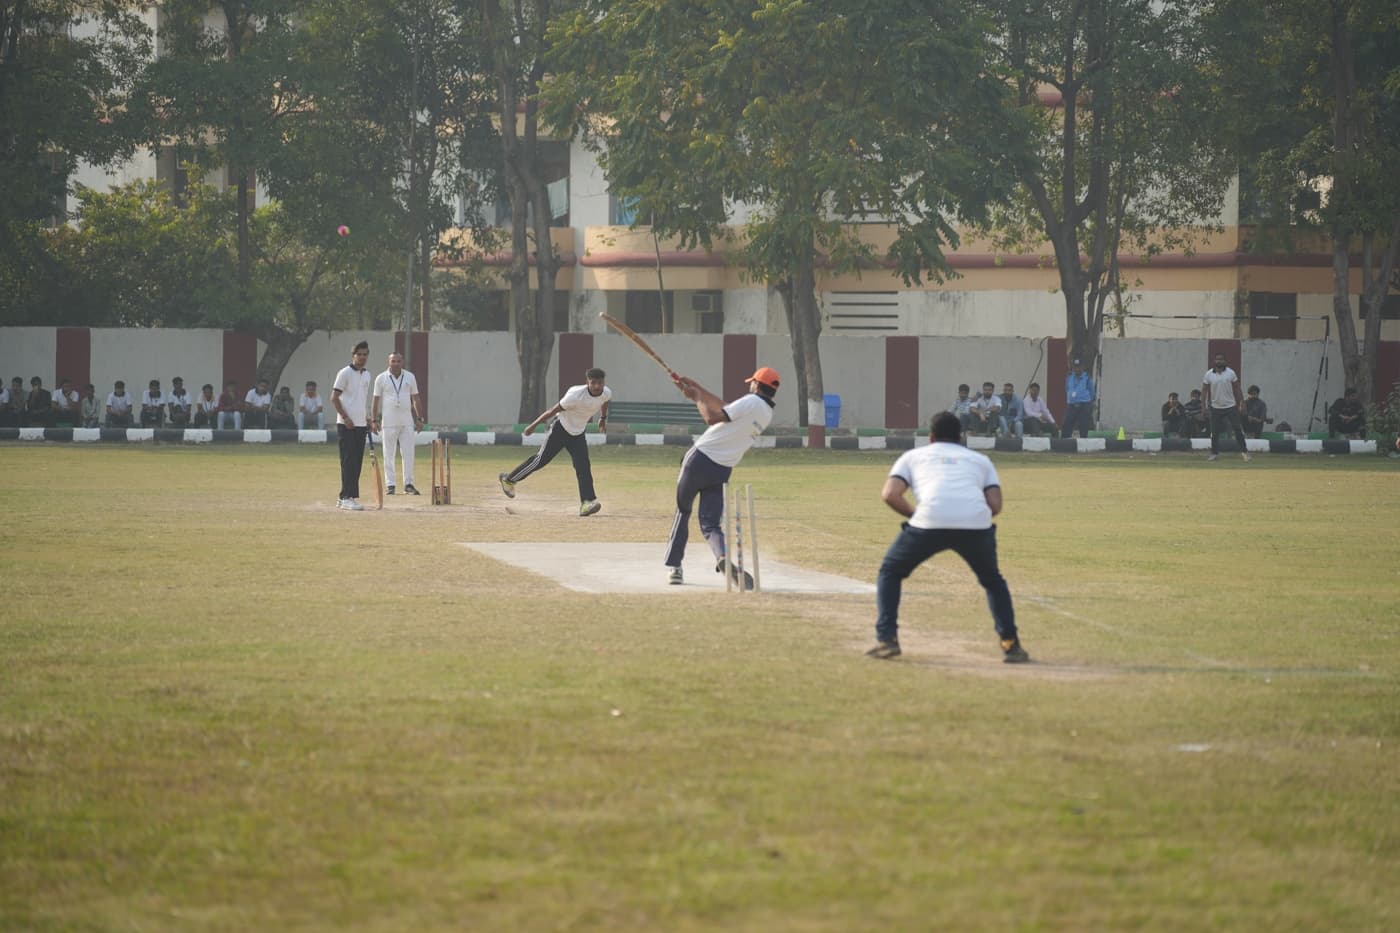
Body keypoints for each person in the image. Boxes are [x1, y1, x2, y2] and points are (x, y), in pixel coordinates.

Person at [867, 411, 1029, 663]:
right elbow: (995, 505)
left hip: (929, 521)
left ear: (931, 437)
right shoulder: (980, 460)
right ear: (960, 437)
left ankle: (887, 639)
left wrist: (915, 514)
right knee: (993, 582)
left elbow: (890, 494)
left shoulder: (912, 457)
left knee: (890, 571)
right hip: (975, 524)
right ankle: (1011, 645)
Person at [663, 367, 779, 587]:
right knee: (711, 524)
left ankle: (674, 568)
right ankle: (722, 556)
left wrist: (697, 397)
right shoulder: (765, 413)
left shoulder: (750, 401)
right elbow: (727, 408)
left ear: (756, 384)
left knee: (683, 512)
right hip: (722, 469)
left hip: (698, 460)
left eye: (751, 382)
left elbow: (711, 418)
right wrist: (698, 389)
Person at [499, 367, 611, 515]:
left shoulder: (606, 392)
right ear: (587, 382)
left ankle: (587, 502)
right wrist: (533, 426)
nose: (597, 386)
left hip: (578, 433)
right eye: (593, 383)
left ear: (603, 383)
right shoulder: (575, 395)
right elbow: (552, 411)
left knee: (583, 466)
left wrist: (602, 418)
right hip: (560, 429)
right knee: (540, 460)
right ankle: (509, 480)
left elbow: (604, 401)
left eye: (600, 383)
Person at [372, 351, 424, 495]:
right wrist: (374, 419)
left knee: (408, 454)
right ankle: (390, 485)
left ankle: (409, 484)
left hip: (407, 421)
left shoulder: (409, 377)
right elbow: (375, 400)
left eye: (398, 361)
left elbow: (416, 398)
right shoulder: (381, 378)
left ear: (403, 362)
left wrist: (420, 418)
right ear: (388, 362)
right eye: (393, 361)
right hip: (388, 422)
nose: (396, 363)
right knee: (388, 454)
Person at [331, 340, 372, 510]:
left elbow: (361, 400)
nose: (362, 357)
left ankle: (347, 497)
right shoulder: (345, 373)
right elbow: (334, 398)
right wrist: (345, 417)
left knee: (356, 463)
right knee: (348, 462)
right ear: (353, 355)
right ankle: (346, 497)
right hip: (346, 425)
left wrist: (367, 417)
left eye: (365, 354)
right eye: (359, 354)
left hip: (361, 424)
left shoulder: (367, 375)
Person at [1202, 352, 1250, 461]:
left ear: (1225, 361)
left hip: (1230, 406)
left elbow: (1237, 388)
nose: (1219, 361)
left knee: (1237, 429)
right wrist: (1203, 406)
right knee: (1214, 432)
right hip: (1215, 407)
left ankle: (1245, 452)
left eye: (1221, 359)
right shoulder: (1209, 374)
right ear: (1214, 361)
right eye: (1217, 359)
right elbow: (1204, 390)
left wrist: (1242, 402)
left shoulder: (1230, 373)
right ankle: (1214, 453)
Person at [1061, 358, 1095, 438]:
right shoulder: (1069, 377)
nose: (1077, 369)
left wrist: (1088, 402)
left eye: (1079, 367)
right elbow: (1067, 389)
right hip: (1071, 405)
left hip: (1084, 405)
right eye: (1075, 367)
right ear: (1073, 367)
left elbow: (1092, 392)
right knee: (1067, 424)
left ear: (1082, 367)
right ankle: (1065, 441)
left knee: (1083, 425)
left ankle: (1084, 441)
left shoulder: (1087, 378)